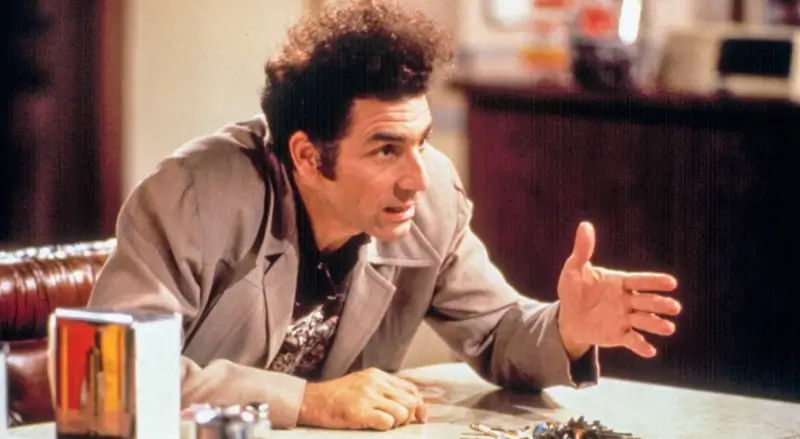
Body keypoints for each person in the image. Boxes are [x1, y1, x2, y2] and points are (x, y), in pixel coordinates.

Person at [87, 0, 682, 432]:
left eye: (422, 141)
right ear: (307, 156)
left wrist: (567, 327)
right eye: (385, 149)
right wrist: (308, 401)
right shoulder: (195, 194)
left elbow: (498, 331)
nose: (417, 177)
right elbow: (114, 373)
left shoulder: (431, 196)